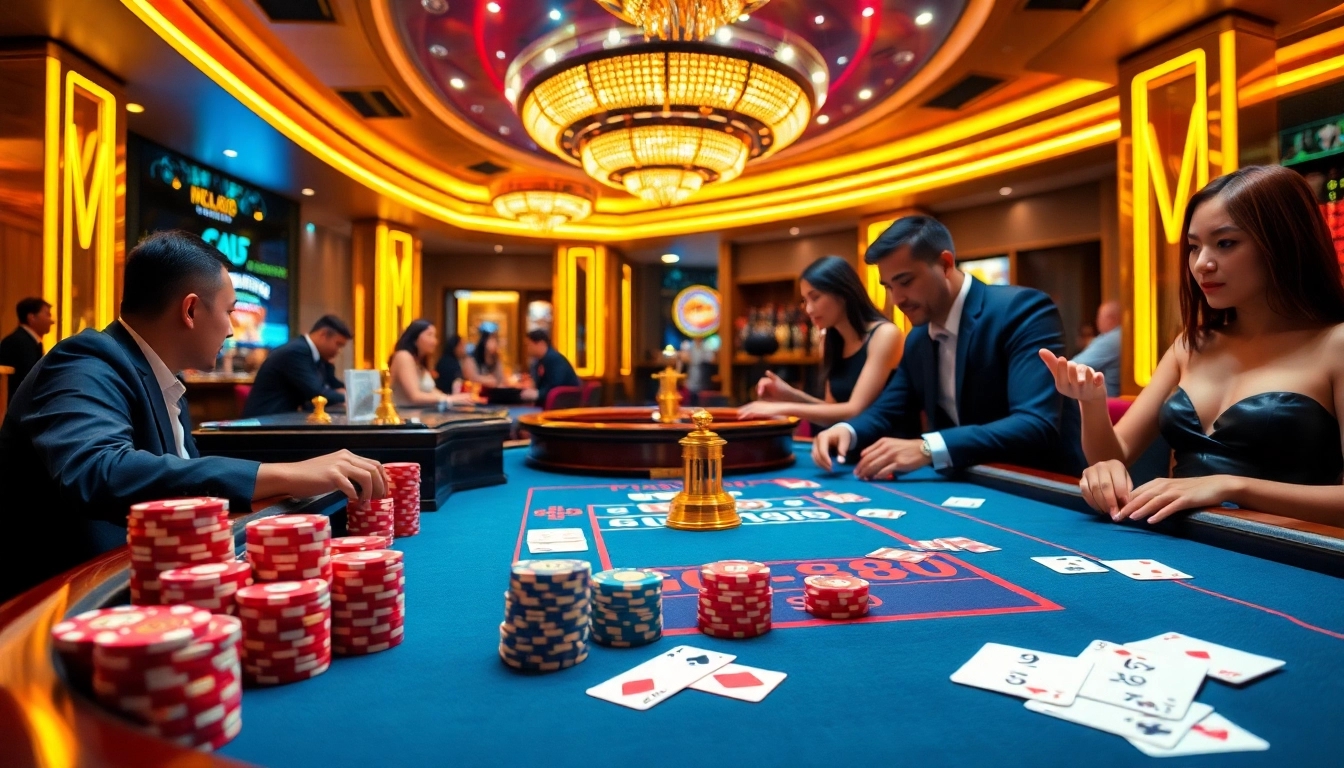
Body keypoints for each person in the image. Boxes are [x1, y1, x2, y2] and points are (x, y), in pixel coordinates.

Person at [0, 231, 390, 601]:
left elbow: (179, 481)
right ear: (190, 310)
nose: (232, 330)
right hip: (66, 606)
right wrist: (285, 474)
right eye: (229, 312)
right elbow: (99, 471)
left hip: (142, 581)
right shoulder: (84, 361)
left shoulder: (165, 378)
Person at [1041, 165, 1344, 526]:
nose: (1202, 264)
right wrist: (1091, 403)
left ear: (1283, 241)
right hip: (1176, 541)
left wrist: (1231, 486)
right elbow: (1115, 454)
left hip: (1280, 550)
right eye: (1194, 247)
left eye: (1226, 243)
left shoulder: (1335, 344)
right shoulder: (1190, 345)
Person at [811, 216, 1085, 479]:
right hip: (971, 480)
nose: (896, 300)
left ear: (944, 264)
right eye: (889, 287)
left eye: (905, 282)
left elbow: (1035, 424)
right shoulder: (918, 338)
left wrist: (928, 448)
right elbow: (888, 409)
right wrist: (847, 431)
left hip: (1044, 485)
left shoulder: (1022, 311)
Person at [738, 255, 902, 427]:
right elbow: (833, 411)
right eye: (805, 300)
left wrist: (780, 407)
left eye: (815, 297)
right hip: (848, 441)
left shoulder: (885, 335)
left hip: (886, 440)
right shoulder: (830, 340)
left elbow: (855, 410)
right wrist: (789, 394)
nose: (808, 309)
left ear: (843, 293)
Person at [242, 314, 351, 417]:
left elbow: (331, 385)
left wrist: (329, 366)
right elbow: (317, 393)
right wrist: (347, 397)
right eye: (338, 344)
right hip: (265, 420)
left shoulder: (313, 354)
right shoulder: (296, 351)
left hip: (283, 418)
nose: (339, 351)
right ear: (323, 334)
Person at [389, 319, 475, 407]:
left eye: (435, 336)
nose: (434, 341)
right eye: (429, 335)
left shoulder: (420, 362)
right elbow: (415, 396)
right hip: (404, 413)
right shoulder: (403, 356)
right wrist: (449, 399)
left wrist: (458, 398)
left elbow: (433, 391)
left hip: (420, 413)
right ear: (415, 338)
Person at [0, 297, 52, 399]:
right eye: (47, 315)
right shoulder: (18, 342)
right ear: (31, 317)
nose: (52, 321)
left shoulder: (29, 341)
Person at [1072, 301, 1122, 397]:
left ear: (1110, 318)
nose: (1097, 322)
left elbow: (1074, 366)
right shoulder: (1117, 336)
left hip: (1110, 402)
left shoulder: (1113, 339)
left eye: (1099, 317)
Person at [521, 329, 580, 405]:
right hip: (554, 403)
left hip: (563, 404)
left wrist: (538, 394)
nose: (527, 349)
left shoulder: (555, 359)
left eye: (528, 345)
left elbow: (555, 386)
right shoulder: (539, 362)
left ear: (541, 343)